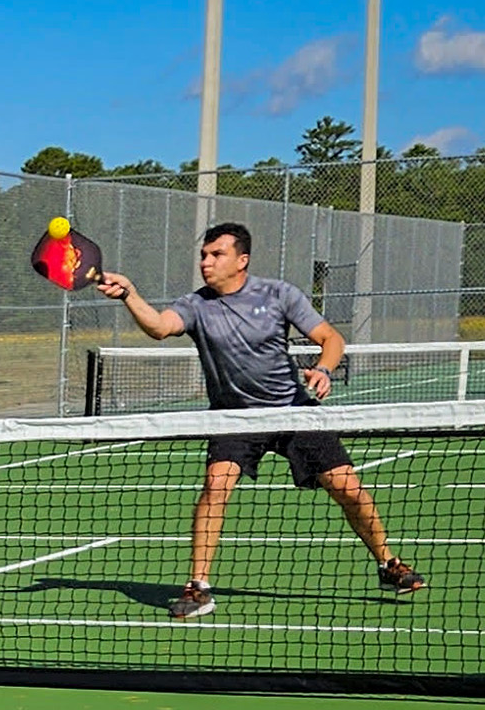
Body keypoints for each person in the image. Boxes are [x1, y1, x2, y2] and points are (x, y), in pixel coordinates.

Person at [96, 222, 426, 619]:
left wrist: (323, 369)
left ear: (242, 260)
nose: (206, 262)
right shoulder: (195, 305)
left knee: (349, 490)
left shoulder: (278, 294)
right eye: (204, 254)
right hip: (234, 418)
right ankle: (198, 587)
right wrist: (130, 295)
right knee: (215, 487)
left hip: (292, 408)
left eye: (217, 254)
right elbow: (159, 327)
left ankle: (388, 563)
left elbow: (331, 338)